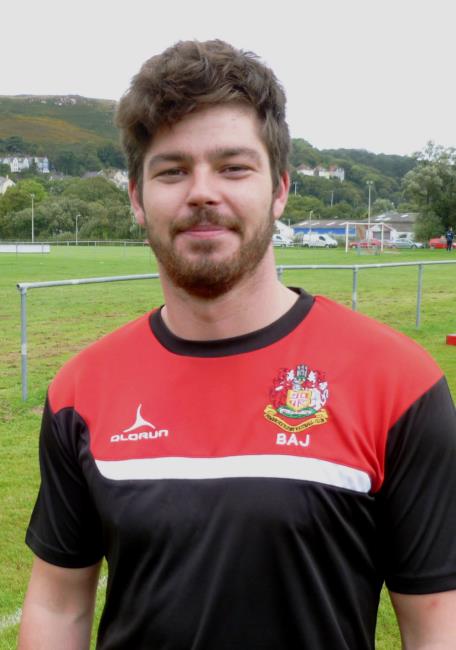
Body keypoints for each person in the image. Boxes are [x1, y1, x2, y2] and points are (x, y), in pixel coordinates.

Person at [19, 40, 456, 650]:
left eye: (233, 167)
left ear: (278, 190)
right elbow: (58, 605)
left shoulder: (398, 383)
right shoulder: (81, 389)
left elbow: (437, 622)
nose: (202, 192)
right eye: (172, 170)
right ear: (137, 200)